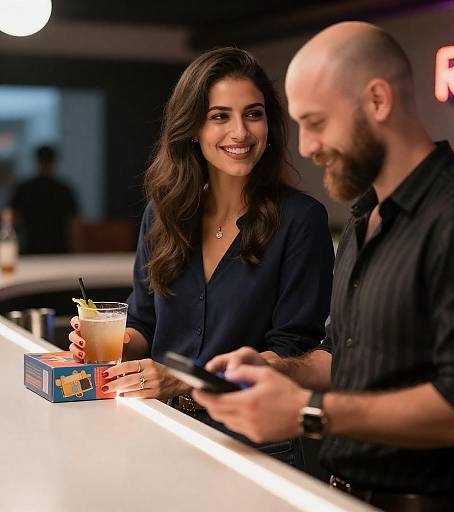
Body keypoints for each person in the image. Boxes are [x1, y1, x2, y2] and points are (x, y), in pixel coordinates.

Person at [194, 23, 454, 511]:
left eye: (316, 122)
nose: (304, 146)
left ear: (378, 101)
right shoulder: (365, 220)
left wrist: (307, 412)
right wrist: (278, 369)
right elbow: (351, 360)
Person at [68, 47, 334, 468]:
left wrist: (184, 380)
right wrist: (110, 342)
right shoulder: (164, 214)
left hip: (255, 444)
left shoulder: (301, 220)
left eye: (253, 113)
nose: (241, 133)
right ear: (193, 127)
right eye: (219, 116)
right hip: (163, 427)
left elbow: (291, 355)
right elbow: (143, 326)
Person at [11, 145, 79, 254]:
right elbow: (73, 224)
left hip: (32, 248)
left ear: (37, 161)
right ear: (54, 162)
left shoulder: (25, 188)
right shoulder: (63, 189)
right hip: (58, 248)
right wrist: (76, 249)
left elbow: (13, 220)